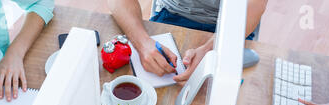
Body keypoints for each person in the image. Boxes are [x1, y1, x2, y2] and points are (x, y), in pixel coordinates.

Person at [107, 0, 268, 83]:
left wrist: (209, 49)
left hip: (236, 21)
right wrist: (143, 43)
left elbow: (254, 5)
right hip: (174, 14)